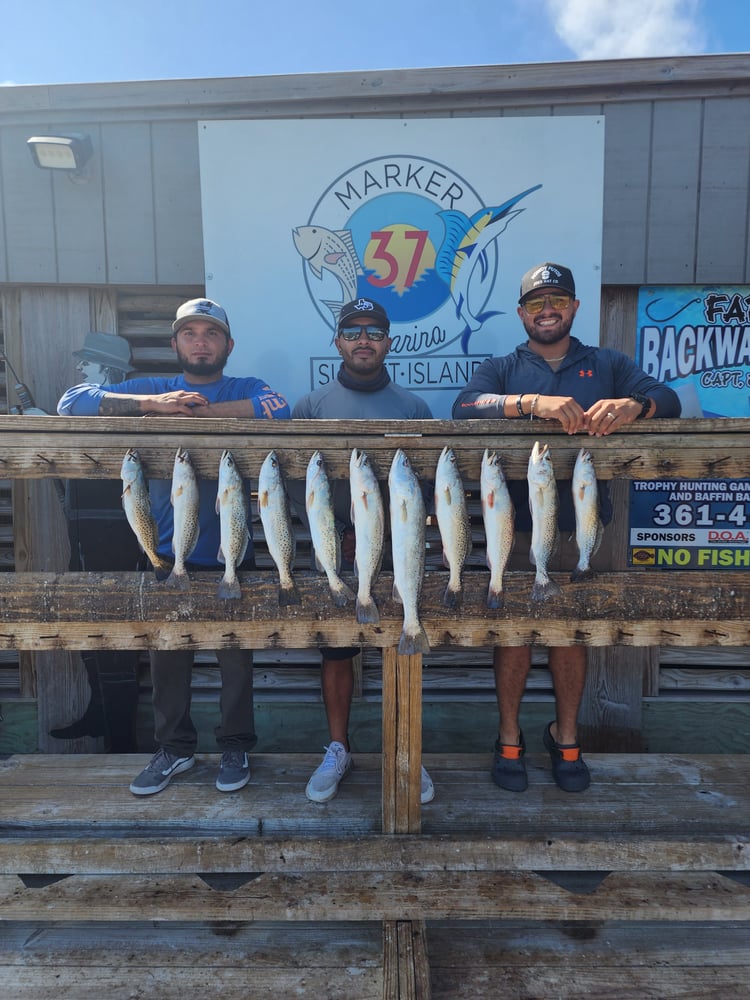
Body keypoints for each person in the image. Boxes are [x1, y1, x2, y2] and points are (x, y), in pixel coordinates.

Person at [452, 262, 681, 793]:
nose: (547, 310)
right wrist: (530, 404)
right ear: (521, 313)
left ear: (575, 307)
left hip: (585, 531)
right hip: (515, 528)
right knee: (512, 636)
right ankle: (509, 736)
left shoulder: (608, 363)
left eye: (557, 300)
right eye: (536, 303)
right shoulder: (503, 367)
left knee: (570, 635)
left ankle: (566, 734)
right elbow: (465, 408)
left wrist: (634, 406)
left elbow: (668, 400)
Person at [58, 298, 290, 795]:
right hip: (164, 553)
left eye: (210, 333)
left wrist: (201, 413)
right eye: (190, 333)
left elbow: (278, 407)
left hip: (232, 552)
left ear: (228, 345)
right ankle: (174, 750)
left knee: (236, 659)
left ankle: (235, 745)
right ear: (174, 344)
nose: (200, 342)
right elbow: (71, 400)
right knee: (168, 658)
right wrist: (152, 407)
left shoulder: (244, 389)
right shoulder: (150, 388)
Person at [292, 296, 435, 804]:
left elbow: (421, 490)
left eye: (373, 332)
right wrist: (340, 531)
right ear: (337, 341)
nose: (363, 340)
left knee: (403, 643)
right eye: (353, 331)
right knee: (337, 649)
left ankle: (405, 751)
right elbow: (299, 491)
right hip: (335, 551)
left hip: (398, 550)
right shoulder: (310, 406)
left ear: (389, 342)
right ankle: (337, 748)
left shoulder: (413, 407)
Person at [51, 332, 142, 752]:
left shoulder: (130, 411)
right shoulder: (81, 409)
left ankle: (120, 740)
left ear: (107, 369)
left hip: (119, 538)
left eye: (87, 363)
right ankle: (97, 713)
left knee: (119, 637)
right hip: (82, 535)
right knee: (85, 629)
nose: (80, 370)